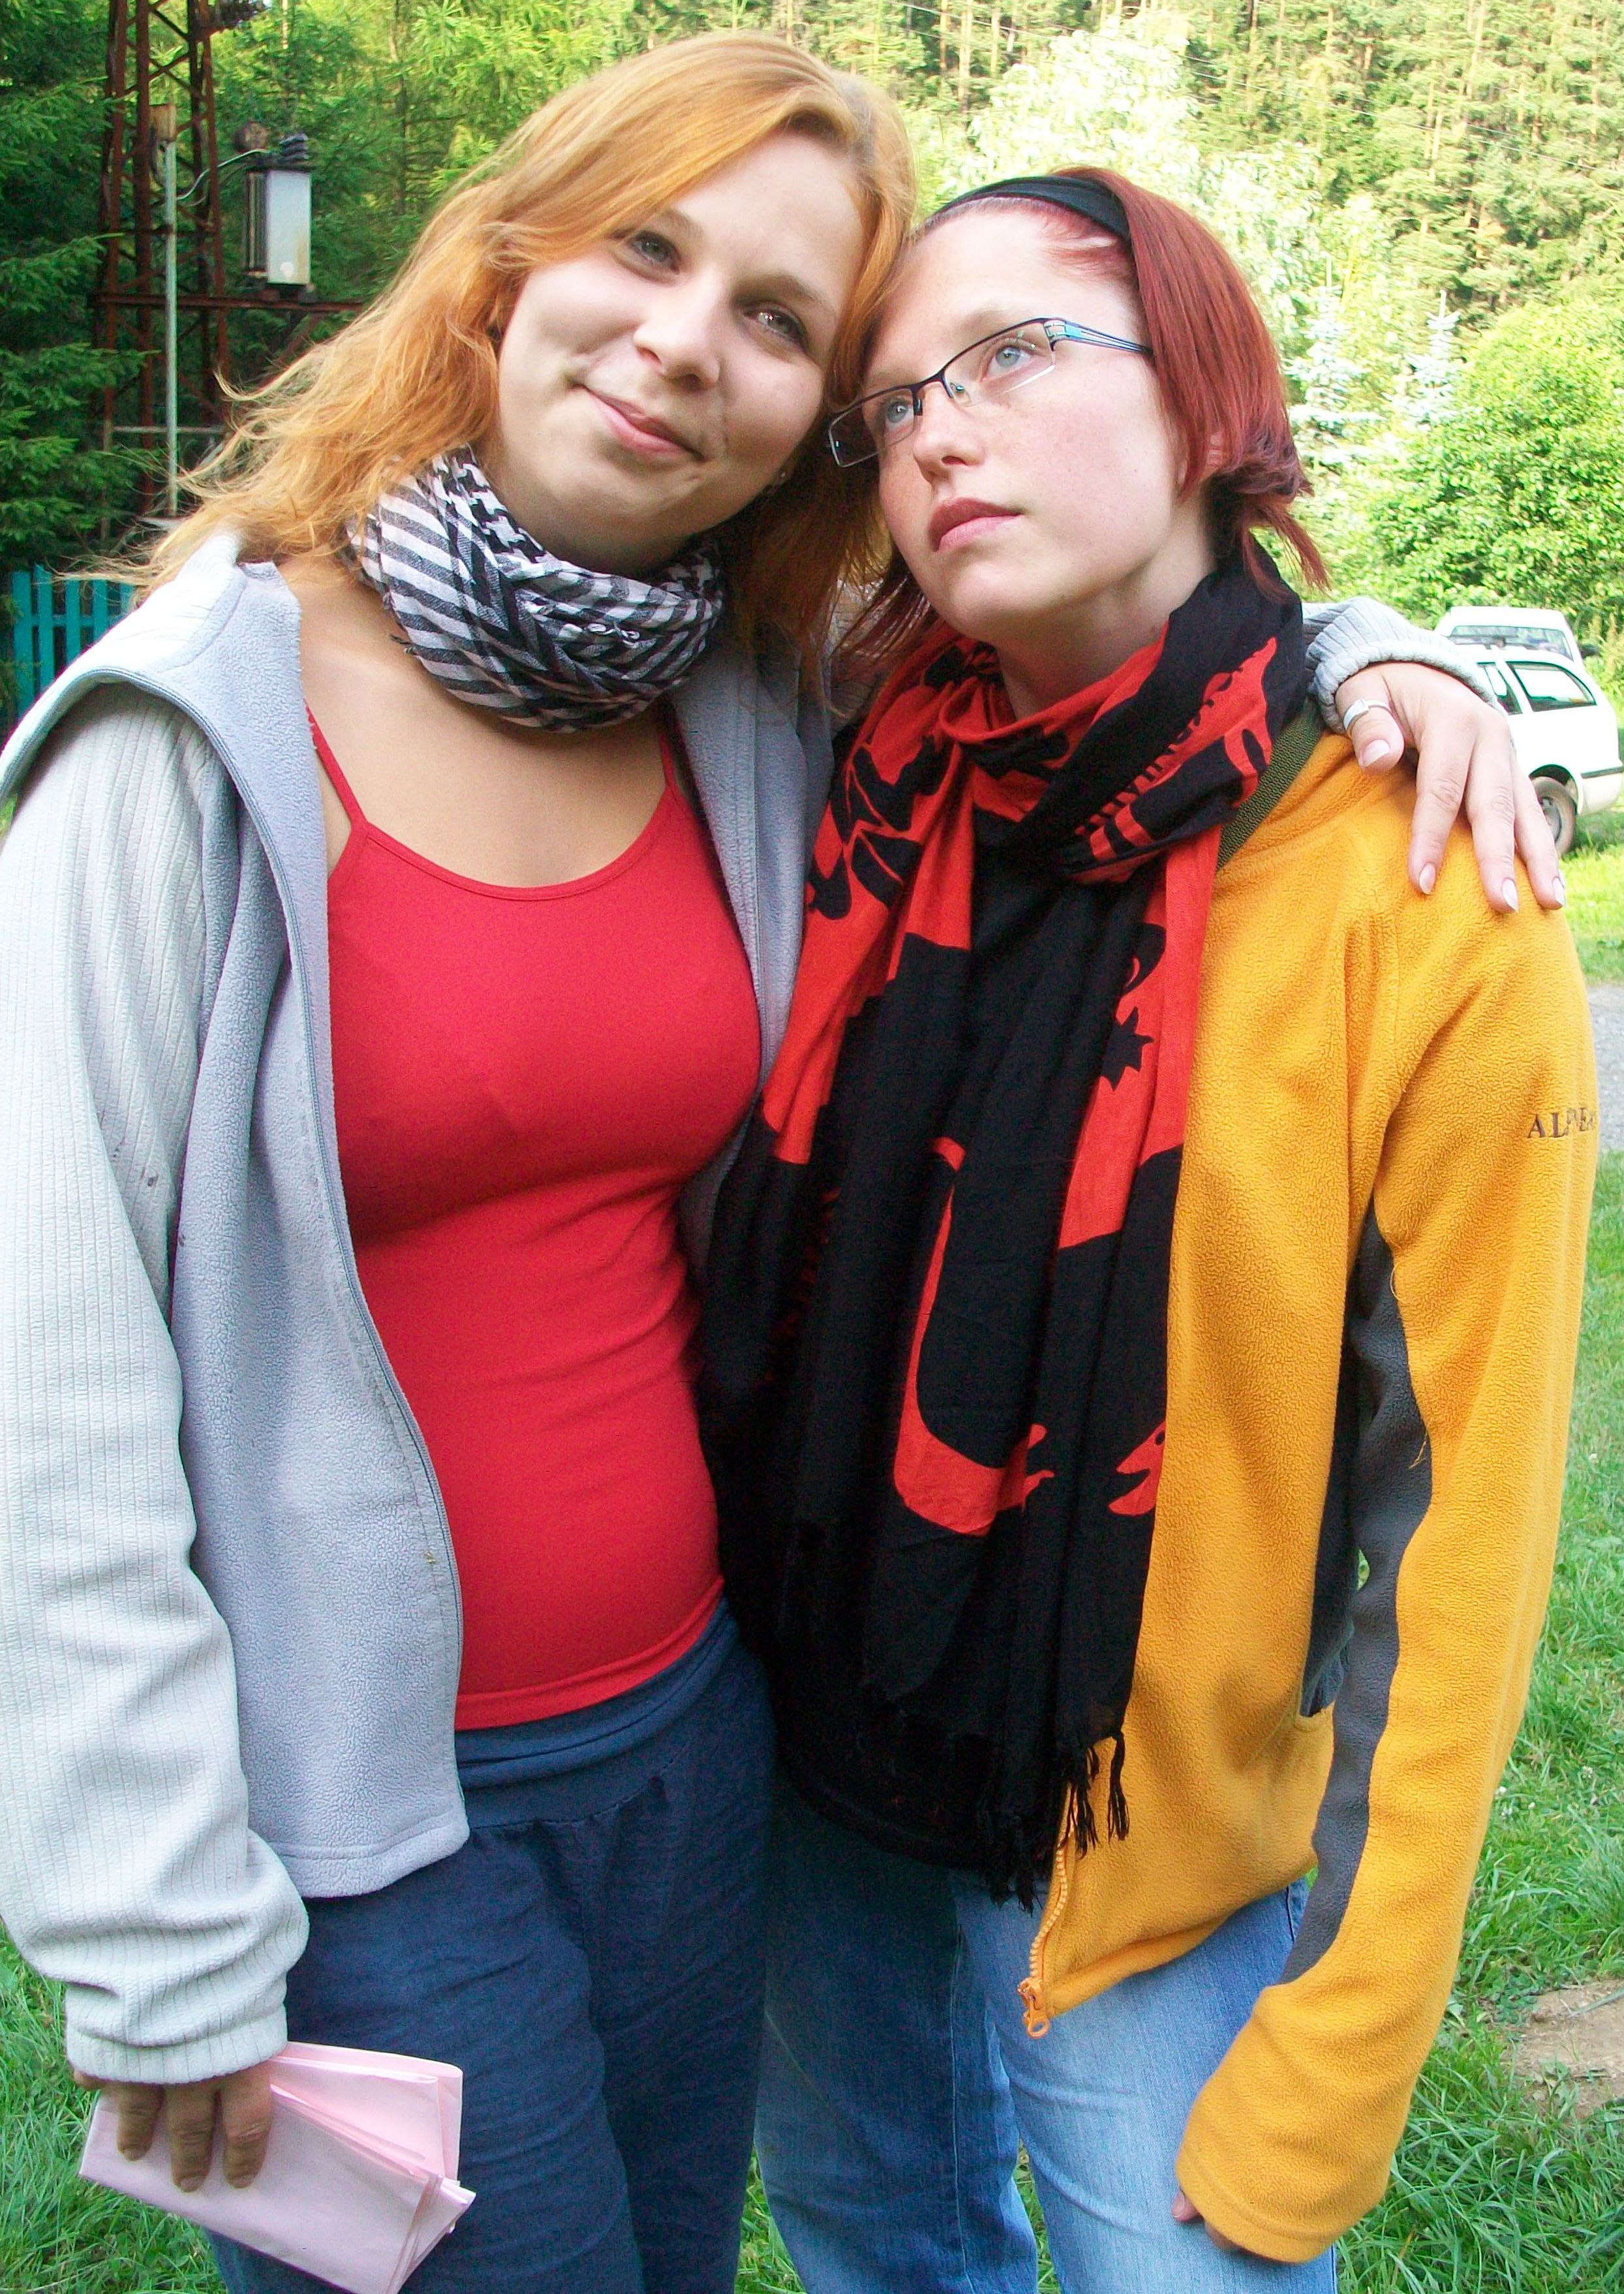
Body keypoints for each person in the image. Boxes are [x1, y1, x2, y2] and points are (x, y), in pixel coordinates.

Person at [0, 33, 1554, 2291]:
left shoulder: (769, 718)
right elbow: (48, 1381)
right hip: (462, 1796)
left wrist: (1373, 644)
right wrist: (141, 1907)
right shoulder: (240, 742)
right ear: (499, 268)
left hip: (796, 1753)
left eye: (783, 324)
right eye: (647, 249)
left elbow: (1135, 660)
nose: (687, 346)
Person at [700, 167, 1597, 2293]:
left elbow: (1461, 1541)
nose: (938, 431)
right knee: (869, 2238)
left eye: (1011, 354)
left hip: (1136, 1842)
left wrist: (1345, 2038)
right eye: (895, 401)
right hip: (803, 1739)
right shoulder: (852, 758)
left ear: (1204, 395)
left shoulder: (1422, 887)